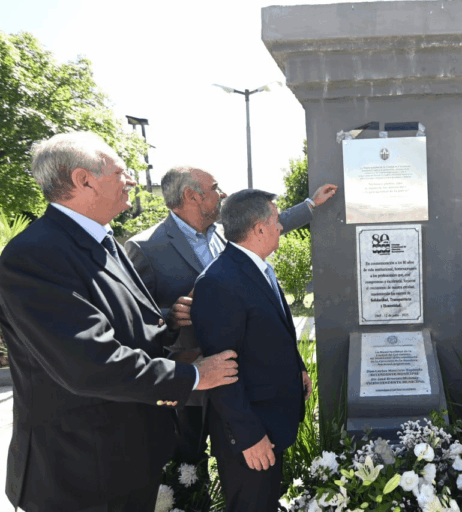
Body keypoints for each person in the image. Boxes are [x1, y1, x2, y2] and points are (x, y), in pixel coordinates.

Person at [0, 132, 239, 511]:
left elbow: (117, 324)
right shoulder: (35, 255)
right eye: (120, 172)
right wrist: (194, 376)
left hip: (124, 462)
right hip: (79, 475)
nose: (131, 181)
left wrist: (168, 324)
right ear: (83, 180)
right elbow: (90, 365)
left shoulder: (102, 241)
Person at [124, 166, 336, 464]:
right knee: (189, 467)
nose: (222, 193)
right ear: (191, 196)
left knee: (241, 464)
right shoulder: (144, 247)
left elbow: (268, 224)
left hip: (239, 381)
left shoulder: (226, 233)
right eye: (214, 188)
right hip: (193, 380)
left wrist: (310, 204)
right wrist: (168, 317)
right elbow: (132, 315)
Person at [191, 190, 310, 512]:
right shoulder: (219, 282)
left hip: (271, 424)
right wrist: (248, 436)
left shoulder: (257, 268)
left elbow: (270, 331)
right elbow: (221, 372)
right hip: (251, 436)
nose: (281, 227)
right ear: (258, 229)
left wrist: (298, 367)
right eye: (276, 220)